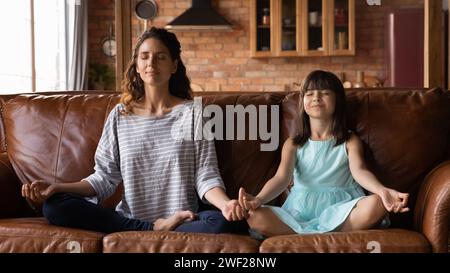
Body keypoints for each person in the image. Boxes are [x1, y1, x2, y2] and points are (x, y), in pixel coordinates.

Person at [21, 27, 246, 234]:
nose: (152, 63)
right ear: (137, 66)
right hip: (129, 220)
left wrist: (226, 204)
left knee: (224, 222)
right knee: (55, 206)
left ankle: (157, 227)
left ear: (174, 65)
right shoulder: (121, 115)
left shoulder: (194, 113)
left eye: (161, 57)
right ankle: (150, 227)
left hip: (185, 220)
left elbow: (205, 176)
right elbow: (104, 178)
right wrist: (55, 187)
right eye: (145, 57)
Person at [238, 70, 409, 237]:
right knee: (255, 216)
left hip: (342, 208)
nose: (316, 98)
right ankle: (322, 233)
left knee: (377, 203)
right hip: (300, 211)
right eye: (310, 94)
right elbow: (281, 179)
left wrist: (382, 190)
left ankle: (306, 235)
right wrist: (258, 199)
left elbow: (360, 171)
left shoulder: (349, 140)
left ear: (338, 101)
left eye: (325, 93)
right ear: (303, 102)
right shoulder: (293, 144)